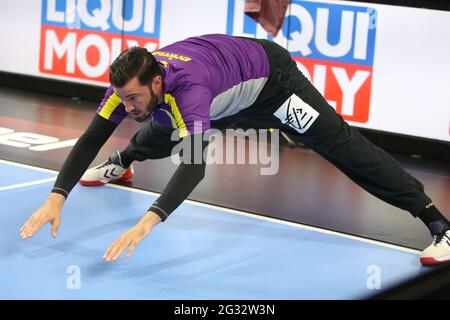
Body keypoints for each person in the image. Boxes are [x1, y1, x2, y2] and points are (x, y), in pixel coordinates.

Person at [20, 34, 449, 265]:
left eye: (133, 98)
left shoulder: (188, 93)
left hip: (272, 86)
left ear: (155, 82)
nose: (126, 106)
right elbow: (91, 136)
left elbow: (193, 168)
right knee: (155, 132)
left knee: (343, 147)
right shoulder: (130, 90)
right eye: (122, 99)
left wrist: (148, 222)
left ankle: (439, 226)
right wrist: (57, 196)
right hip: (224, 95)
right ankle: (123, 164)